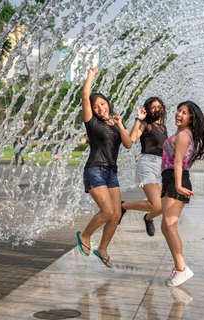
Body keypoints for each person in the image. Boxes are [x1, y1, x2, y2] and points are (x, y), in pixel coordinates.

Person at [76, 67, 132, 268]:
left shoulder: (115, 122)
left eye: (102, 104)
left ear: (107, 103)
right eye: (96, 106)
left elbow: (128, 144)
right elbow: (84, 97)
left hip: (111, 174)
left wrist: (120, 124)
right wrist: (90, 75)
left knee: (116, 214)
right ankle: (84, 235)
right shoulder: (92, 123)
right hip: (95, 171)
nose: (101, 109)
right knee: (107, 211)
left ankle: (103, 248)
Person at [161, 101, 204, 286]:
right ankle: (179, 268)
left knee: (170, 227)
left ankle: (182, 269)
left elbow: (178, 162)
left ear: (191, 118)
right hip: (171, 180)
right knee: (166, 227)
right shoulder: (183, 133)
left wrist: (179, 186)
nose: (179, 114)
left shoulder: (183, 135)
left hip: (175, 181)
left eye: (184, 112)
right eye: (179, 110)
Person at [121, 97, 168, 236]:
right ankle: (123, 206)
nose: (156, 109)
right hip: (148, 164)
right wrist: (138, 119)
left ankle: (148, 218)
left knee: (164, 206)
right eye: (153, 107)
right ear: (147, 110)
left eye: (159, 106)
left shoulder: (163, 127)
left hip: (161, 167)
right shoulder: (146, 124)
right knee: (156, 205)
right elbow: (132, 138)